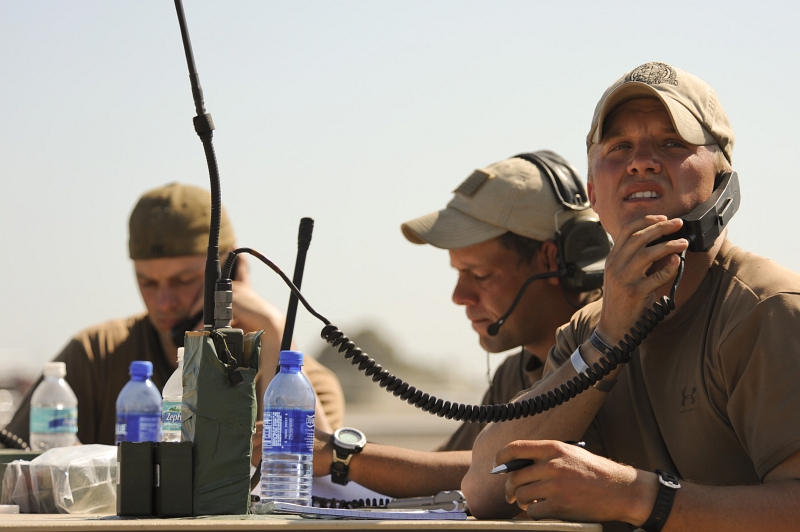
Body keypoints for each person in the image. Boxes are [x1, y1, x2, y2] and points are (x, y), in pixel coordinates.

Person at [464, 62, 800, 531]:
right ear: (593, 194)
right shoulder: (590, 329)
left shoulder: (768, 310)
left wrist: (637, 497)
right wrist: (609, 338)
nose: (641, 161)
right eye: (619, 147)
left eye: (672, 144)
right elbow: (482, 487)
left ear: (723, 182)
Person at [313, 152, 609, 497]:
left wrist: (344, 457)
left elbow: (490, 474)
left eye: (480, 275)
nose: (459, 295)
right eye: (459, 273)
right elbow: (447, 469)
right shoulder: (514, 374)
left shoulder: (614, 349)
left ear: (554, 259)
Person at [5, 183, 345, 447]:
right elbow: (14, 461)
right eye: (148, 282)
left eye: (183, 281)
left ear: (232, 274)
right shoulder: (95, 356)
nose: (164, 302)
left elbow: (308, 474)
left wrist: (273, 332)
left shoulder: (309, 386)